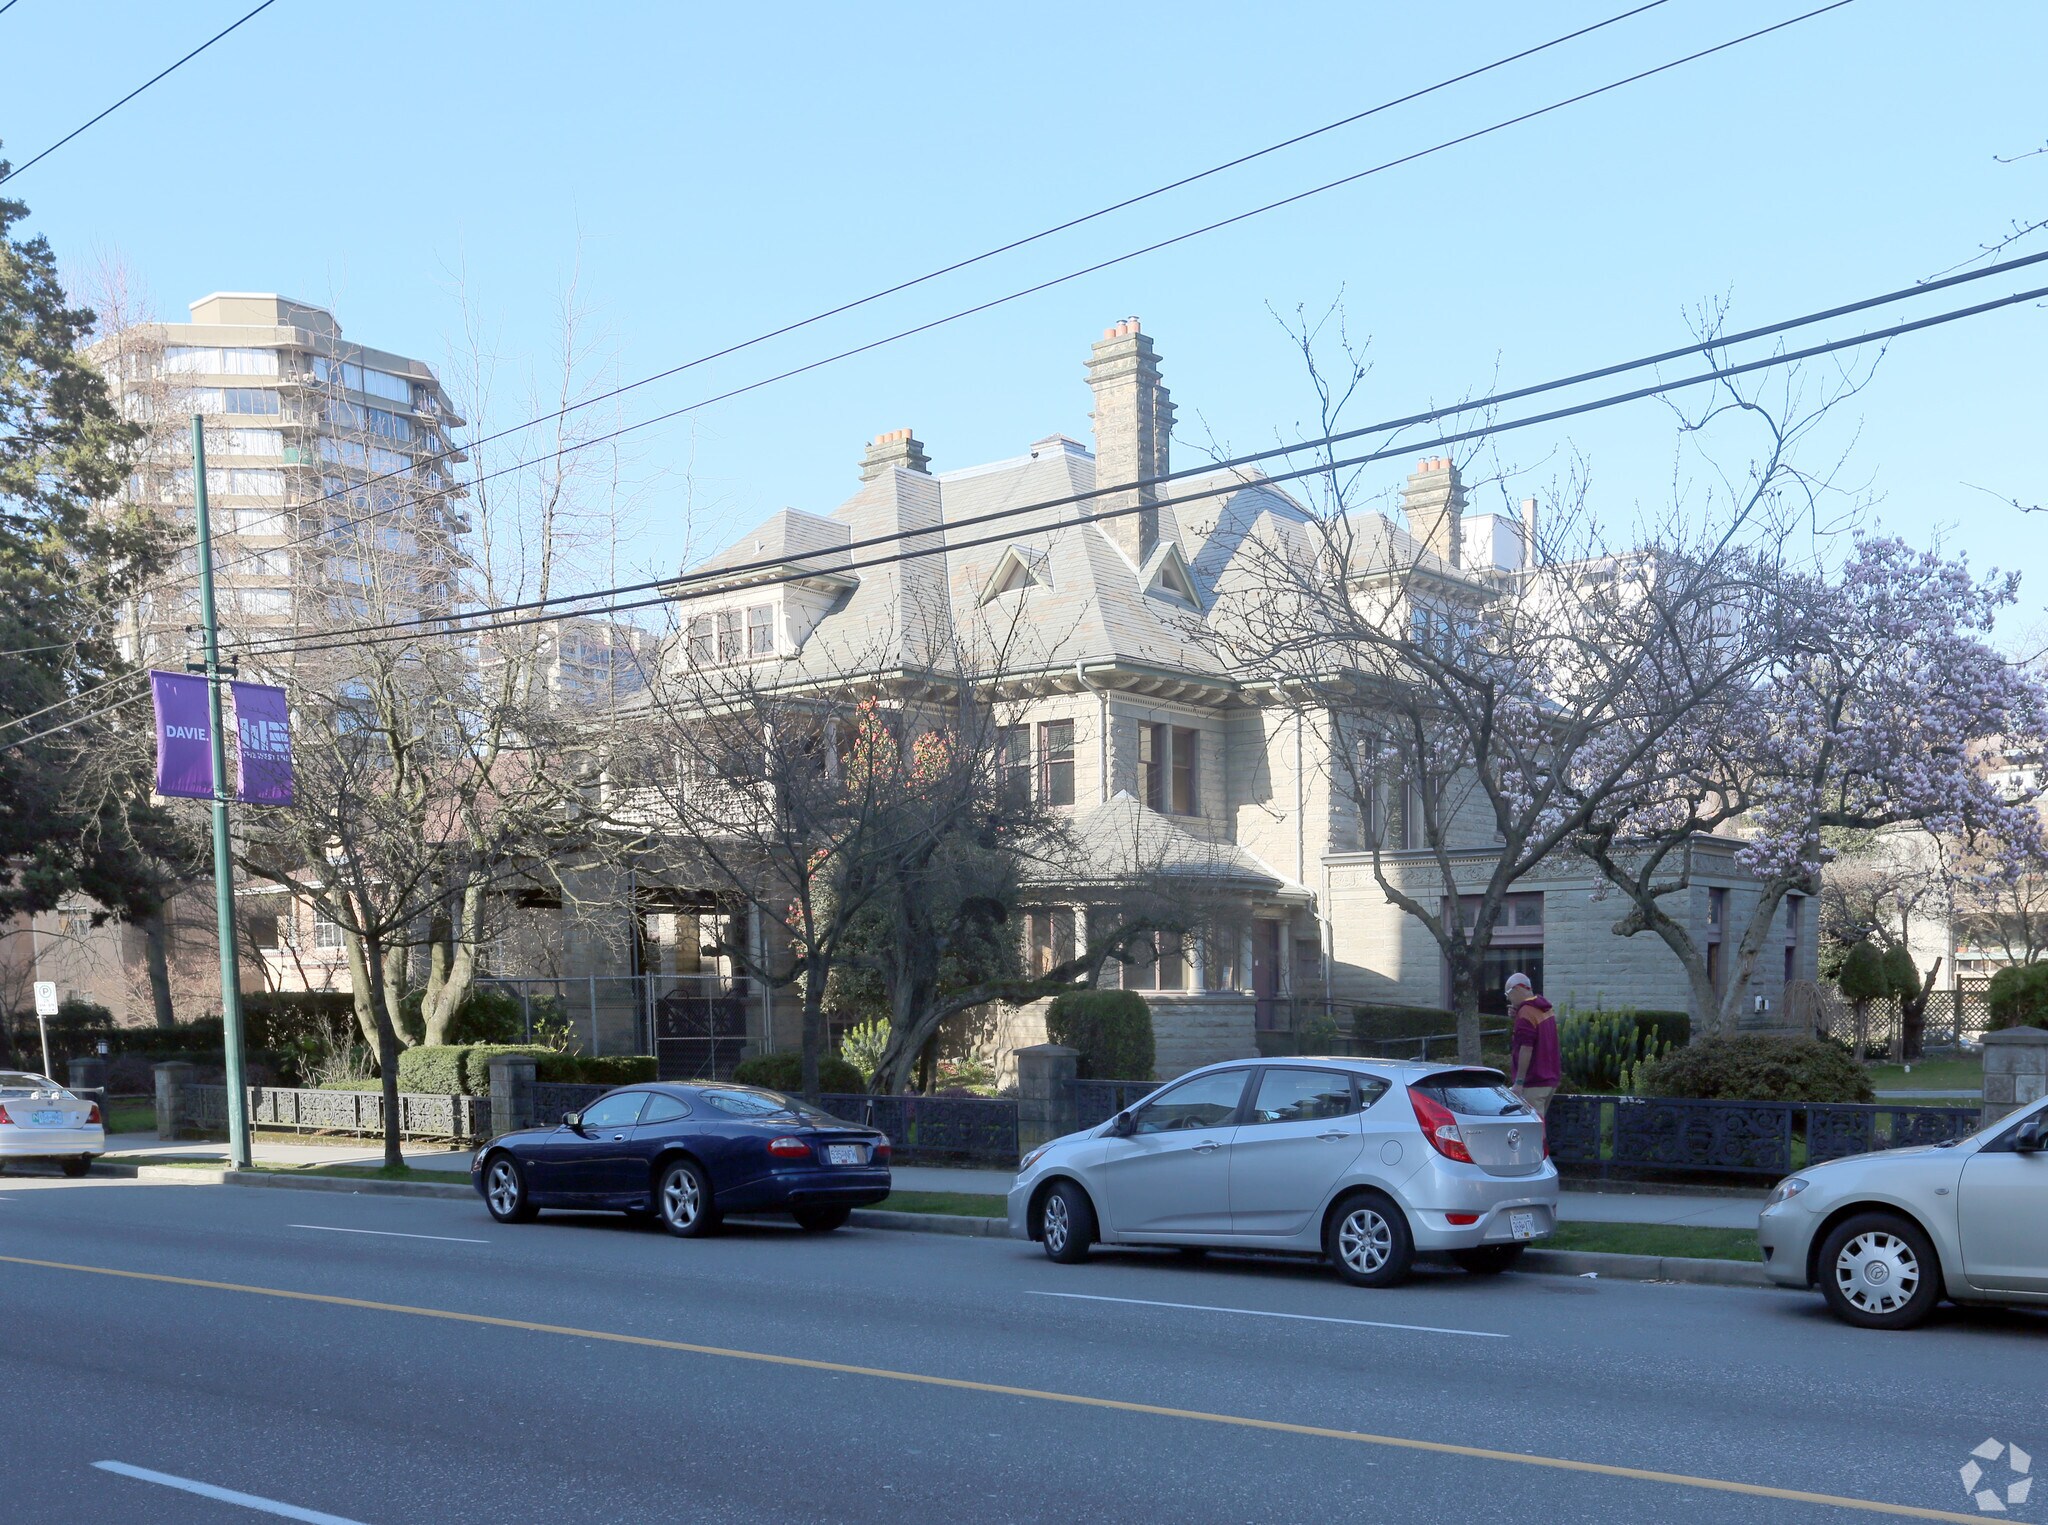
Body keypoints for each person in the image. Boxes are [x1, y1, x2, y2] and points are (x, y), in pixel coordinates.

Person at [1505, 971, 1560, 1118]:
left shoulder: (1526, 1013)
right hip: (1549, 1079)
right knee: (1540, 1124)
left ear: (1517, 989)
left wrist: (1519, 1082)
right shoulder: (1544, 1007)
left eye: (1507, 993)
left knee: (1532, 1127)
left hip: (1533, 1082)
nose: (1508, 998)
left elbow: (1526, 1048)